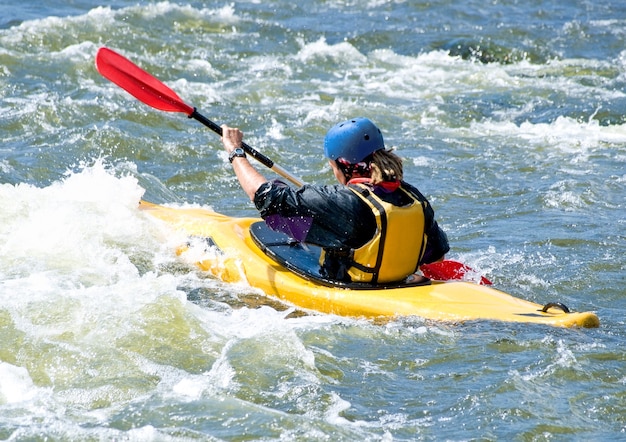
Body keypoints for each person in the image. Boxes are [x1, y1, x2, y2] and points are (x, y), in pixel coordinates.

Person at [220, 117, 449, 284]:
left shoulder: (342, 202)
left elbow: (264, 197)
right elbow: (436, 256)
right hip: (400, 287)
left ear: (342, 165)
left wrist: (235, 151)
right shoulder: (413, 196)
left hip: (354, 292)